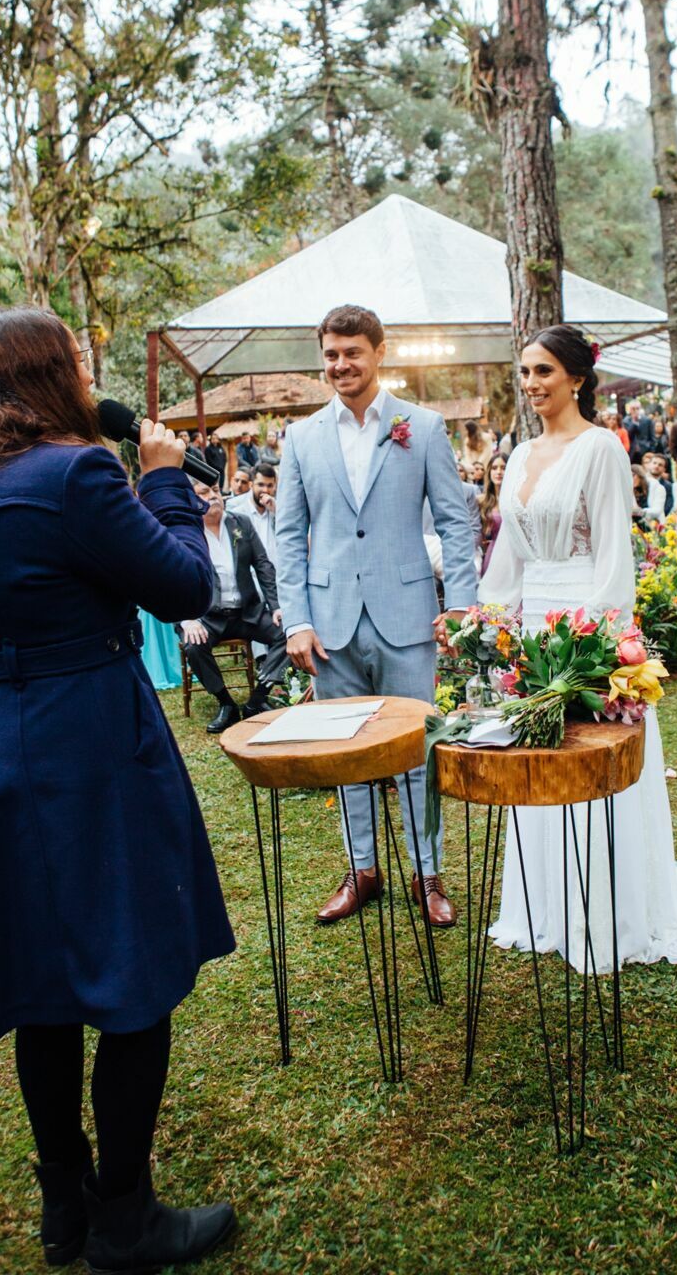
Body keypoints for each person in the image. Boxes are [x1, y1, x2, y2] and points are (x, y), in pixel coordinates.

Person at [0, 307, 235, 1271]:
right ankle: (127, 1222)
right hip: (92, 747)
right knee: (133, 976)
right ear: (50, 376)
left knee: (42, 989)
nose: (88, 377)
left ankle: (66, 1204)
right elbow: (184, 589)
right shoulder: (78, 475)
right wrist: (165, 478)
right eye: (77, 362)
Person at [479, 323, 677, 973]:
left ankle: (610, 912)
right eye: (525, 371)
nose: (531, 383)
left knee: (590, 765)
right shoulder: (523, 452)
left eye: (543, 371)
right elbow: (509, 550)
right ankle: (546, 907)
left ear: (576, 378)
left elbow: (613, 557)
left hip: (585, 626)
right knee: (539, 765)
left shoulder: (598, 449)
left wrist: (597, 646)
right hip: (530, 627)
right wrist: (489, 621)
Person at [277, 304, 478, 929]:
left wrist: (461, 606)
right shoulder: (301, 438)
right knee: (348, 753)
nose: (341, 365)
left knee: (416, 748)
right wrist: (296, 621)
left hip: (407, 616)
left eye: (352, 353)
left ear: (379, 352)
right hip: (330, 622)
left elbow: (456, 523)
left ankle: (428, 873)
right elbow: (289, 536)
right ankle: (361, 869)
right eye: (331, 355)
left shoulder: (423, 427)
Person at [179, 479, 288, 732]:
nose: (213, 496)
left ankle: (257, 699)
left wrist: (276, 606)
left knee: (288, 632)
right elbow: (173, 577)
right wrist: (187, 619)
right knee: (193, 645)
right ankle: (226, 704)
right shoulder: (187, 531)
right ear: (190, 499)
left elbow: (263, 565)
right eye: (204, 492)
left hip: (248, 613)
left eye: (215, 490)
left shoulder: (241, 523)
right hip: (209, 616)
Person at [479, 453, 507, 575]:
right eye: (494, 468)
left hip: (513, 554)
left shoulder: (517, 500)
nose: (499, 472)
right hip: (492, 552)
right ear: (489, 472)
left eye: (503, 468)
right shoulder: (481, 501)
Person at [642, 451, 674, 517]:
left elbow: (668, 506)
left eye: (660, 465)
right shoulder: (640, 481)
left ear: (664, 469)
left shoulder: (668, 486)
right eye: (654, 463)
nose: (656, 466)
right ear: (649, 464)